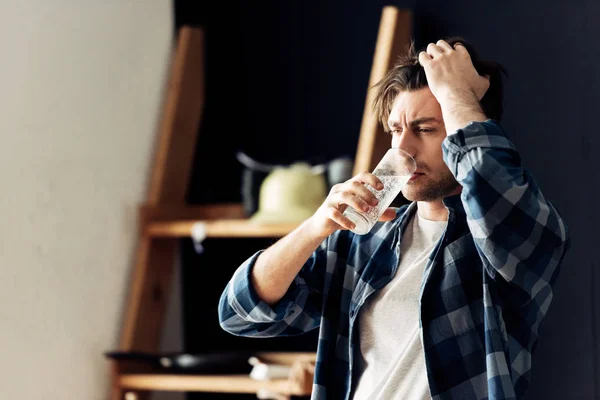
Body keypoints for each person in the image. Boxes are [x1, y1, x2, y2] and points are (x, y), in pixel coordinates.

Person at [218, 38, 571, 400]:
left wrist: (456, 94)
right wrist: (316, 226)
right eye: (396, 130)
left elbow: (493, 189)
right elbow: (240, 313)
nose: (402, 149)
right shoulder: (362, 240)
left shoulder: (515, 233)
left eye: (425, 129)